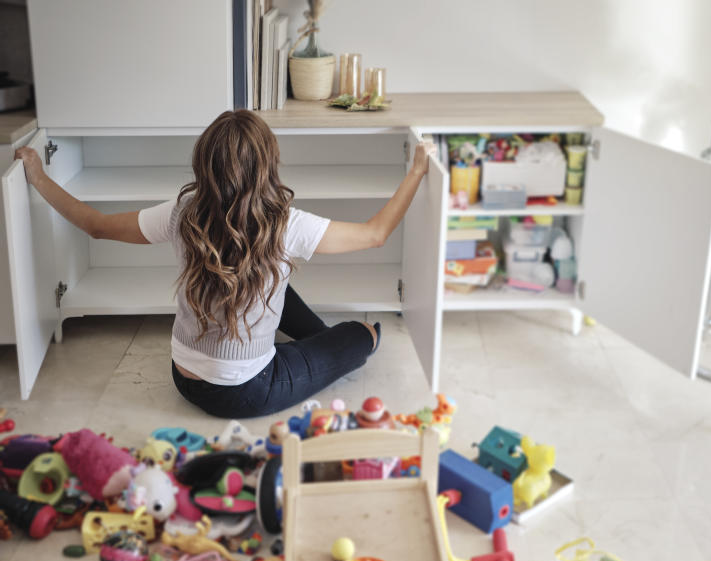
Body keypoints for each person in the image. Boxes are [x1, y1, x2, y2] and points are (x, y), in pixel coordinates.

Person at [15, 110, 434, 418]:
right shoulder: (286, 224)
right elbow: (375, 234)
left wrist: (37, 175)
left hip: (184, 376)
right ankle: (320, 352)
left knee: (272, 282)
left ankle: (314, 352)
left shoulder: (182, 213)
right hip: (248, 390)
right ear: (268, 165)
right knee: (362, 335)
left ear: (205, 163)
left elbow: (97, 226)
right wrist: (416, 170)